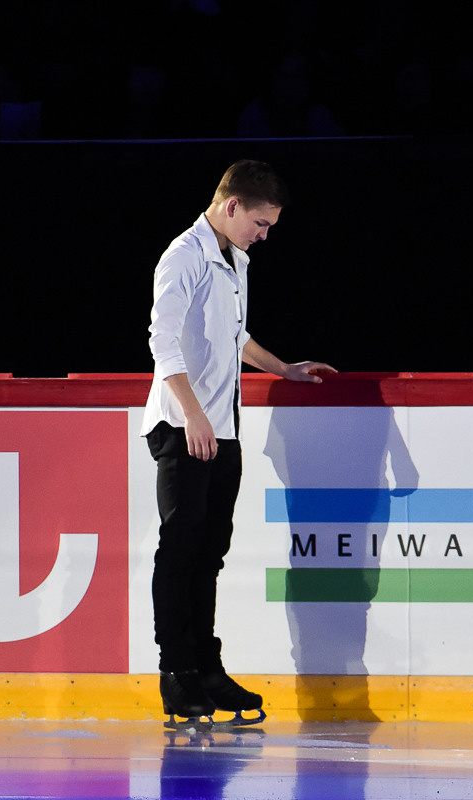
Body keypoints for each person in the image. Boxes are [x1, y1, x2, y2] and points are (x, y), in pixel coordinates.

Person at [141, 159, 336, 721]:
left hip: (220, 429)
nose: (265, 234)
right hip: (185, 427)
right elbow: (163, 342)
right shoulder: (183, 256)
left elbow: (235, 337)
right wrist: (194, 415)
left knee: (209, 554)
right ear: (231, 206)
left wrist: (284, 369)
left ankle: (206, 668)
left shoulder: (235, 259)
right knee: (180, 550)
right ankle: (175, 672)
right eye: (261, 222)